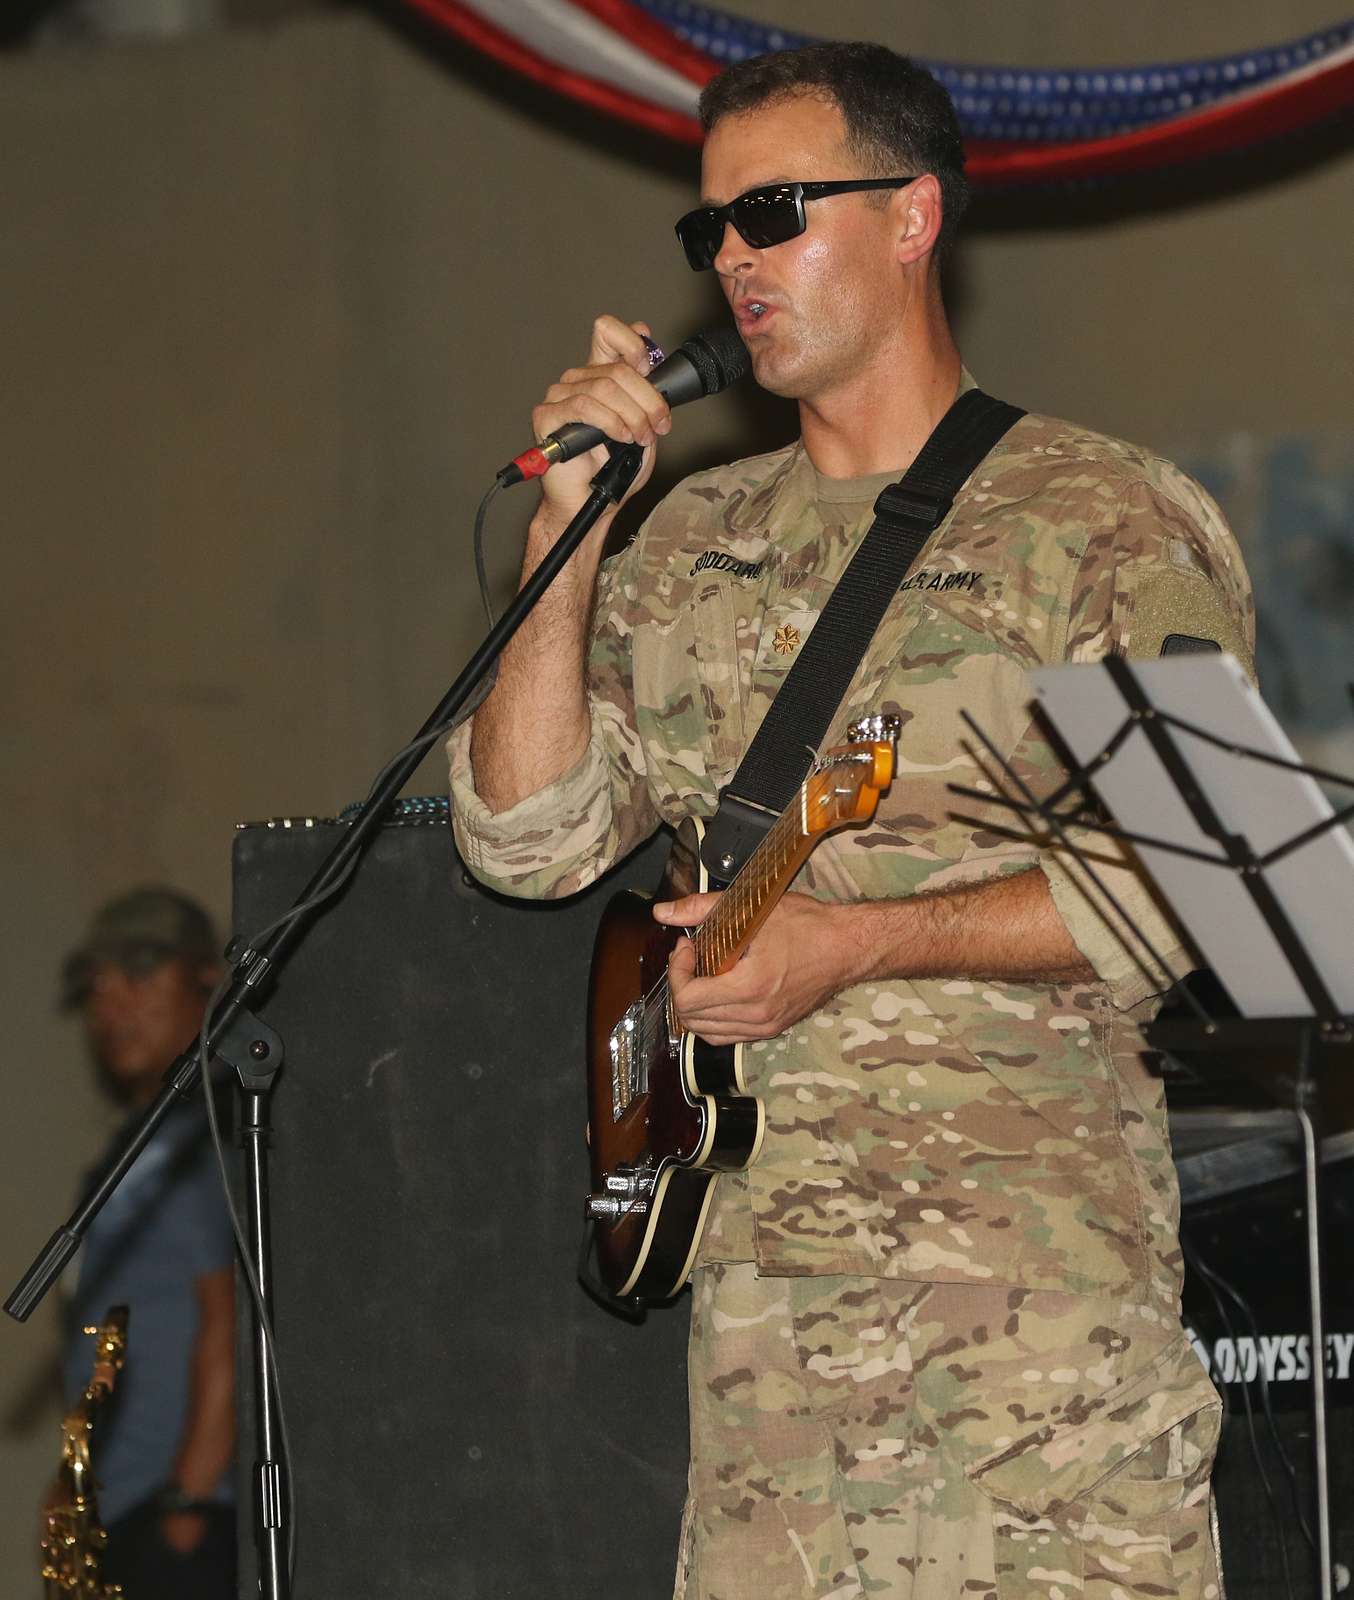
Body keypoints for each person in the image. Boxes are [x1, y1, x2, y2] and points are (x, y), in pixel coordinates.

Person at [449, 42, 1253, 1600]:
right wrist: (573, 530)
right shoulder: (683, 544)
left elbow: (1208, 878)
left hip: (1036, 1383)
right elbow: (524, 837)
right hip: (770, 1408)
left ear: (911, 219)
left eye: (776, 213)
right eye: (710, 231)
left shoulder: (1100, 518)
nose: (732, 260)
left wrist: (859, 947)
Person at [55, 886, 237, 1598]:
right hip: (123, 1512)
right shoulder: (140, 1146)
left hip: (178, 1516)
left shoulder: (207, 1136)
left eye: (138, 971)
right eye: (96, 982)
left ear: (204, 979)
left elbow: (230, 1319)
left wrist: (187, 1503)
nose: (110, 1003)